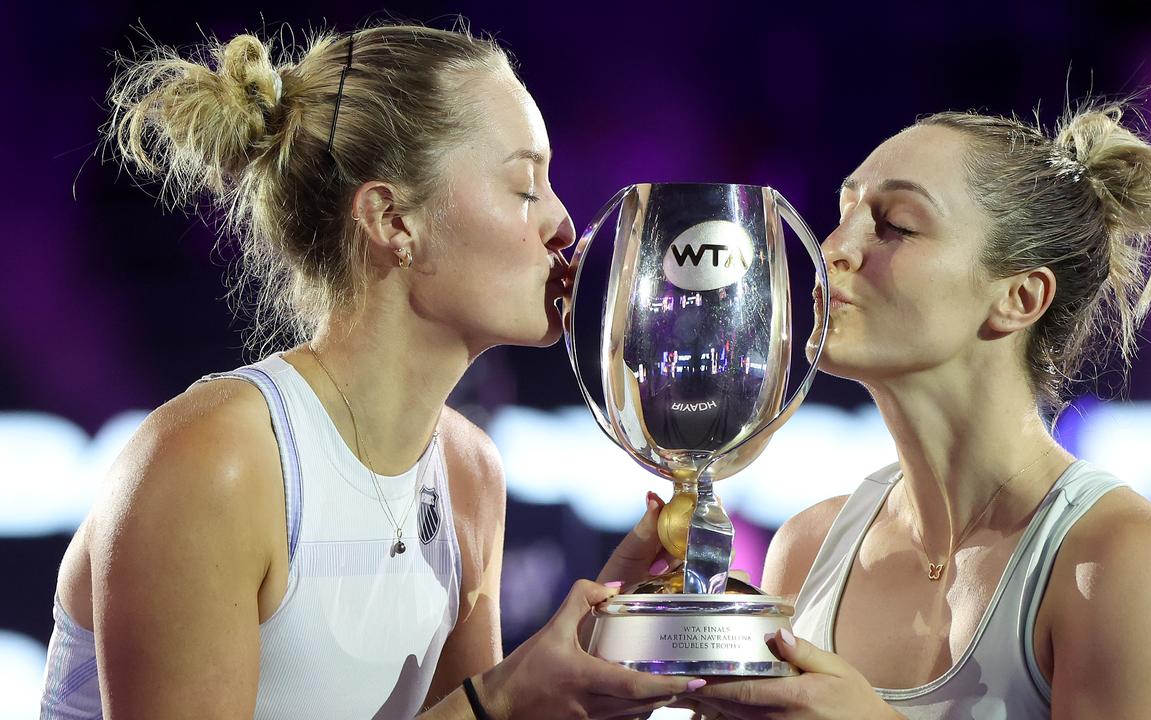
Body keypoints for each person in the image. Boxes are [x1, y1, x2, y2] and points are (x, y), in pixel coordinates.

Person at [40, 23, 695, 720]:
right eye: (526, 185)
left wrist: (594, 665)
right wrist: (500, 700)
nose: (565, 223)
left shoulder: (469, 476)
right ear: (392, 220)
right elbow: (477, 710)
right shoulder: (215, 465)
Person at [685, 105, 1151, 719]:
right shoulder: (806, 548)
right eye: (841, 217)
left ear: (1019, 298)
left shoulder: (1124, 564)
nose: (834, 248)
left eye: (895, 225)